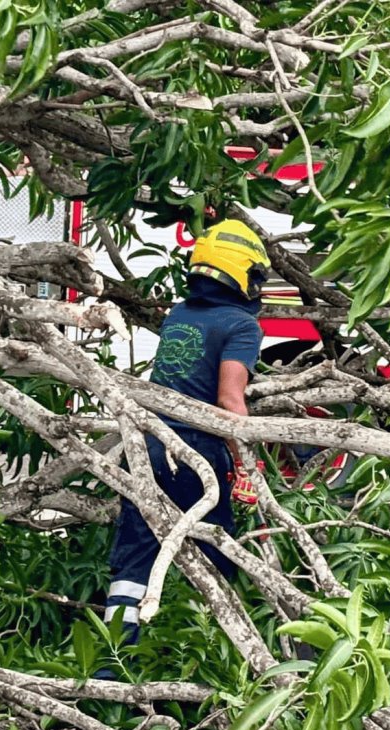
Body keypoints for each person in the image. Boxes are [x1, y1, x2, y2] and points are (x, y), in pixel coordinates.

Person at [103, 219, 270, 649]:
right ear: (241, 273)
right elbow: (229, 402)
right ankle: (212, 655)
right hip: (196, 454)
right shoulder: (242, 325)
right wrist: (249, 464)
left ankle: (110, 663)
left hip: (148, 445)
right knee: (216, 553)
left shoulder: (179, 313)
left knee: (136, 558)